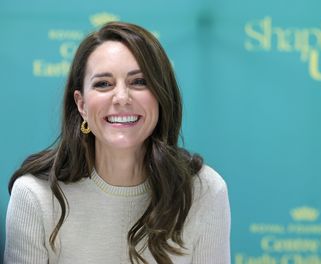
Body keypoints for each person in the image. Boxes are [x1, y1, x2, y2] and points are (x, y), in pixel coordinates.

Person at [4, 21, 231, 264]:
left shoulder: (203, 191)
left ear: (161, 96)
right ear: (81, 105)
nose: (122, 97)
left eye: (139, 82)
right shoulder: (35, 195)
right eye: (104, 84)